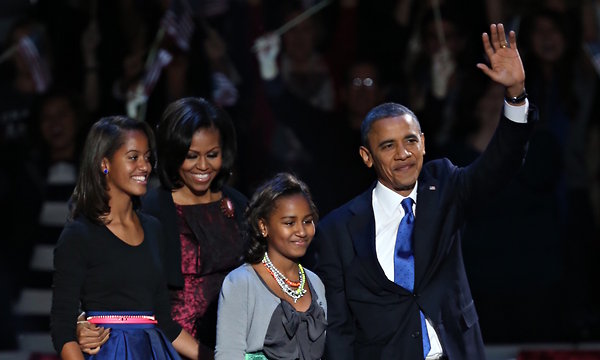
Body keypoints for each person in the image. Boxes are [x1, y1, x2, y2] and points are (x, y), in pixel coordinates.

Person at [311, 23, 536, 359]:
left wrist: (515, 94)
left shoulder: (443, 187)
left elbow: (498, 166)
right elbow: (338, 329)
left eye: (411, 141)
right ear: (366, 156)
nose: (403, 154)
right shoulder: (337, 230)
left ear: (424, 144)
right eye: (388, 146)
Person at [76, 97, 248, 359]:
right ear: (173, 153)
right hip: (168, 348)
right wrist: (82, 320)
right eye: (191, 156)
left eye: (212, 155)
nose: (203, 166)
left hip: (236, 348)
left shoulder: (238, 205)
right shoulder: (148, 210)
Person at [50, 115, 198, 359]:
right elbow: (63, 328)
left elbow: (165, 322)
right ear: (104, 163)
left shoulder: (154, 229)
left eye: (148, 157)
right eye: (133, 157)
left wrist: (216, 355)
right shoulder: (79, 235)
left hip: (152, 351)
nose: (145, 166)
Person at [215, 172, 327, 360]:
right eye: (289, 223)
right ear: (263, 226)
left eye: (307, 221)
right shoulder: (241, 283)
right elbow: (228, 355)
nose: (301, 231)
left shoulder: (315, 283)